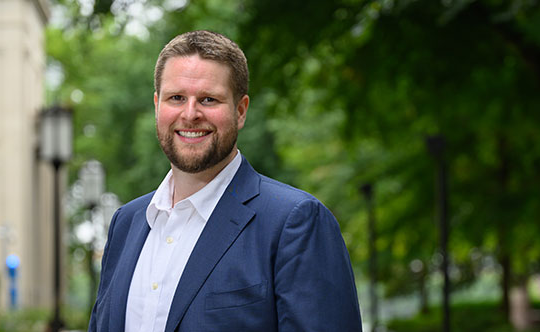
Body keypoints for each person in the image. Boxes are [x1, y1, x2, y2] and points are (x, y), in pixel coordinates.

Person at [88, 30, 362, 332]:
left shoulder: (294, 223)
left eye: (209, 99)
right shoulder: (126, 225)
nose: (190, 114)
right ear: (157, 105)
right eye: (176, 98)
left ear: (241, 110)